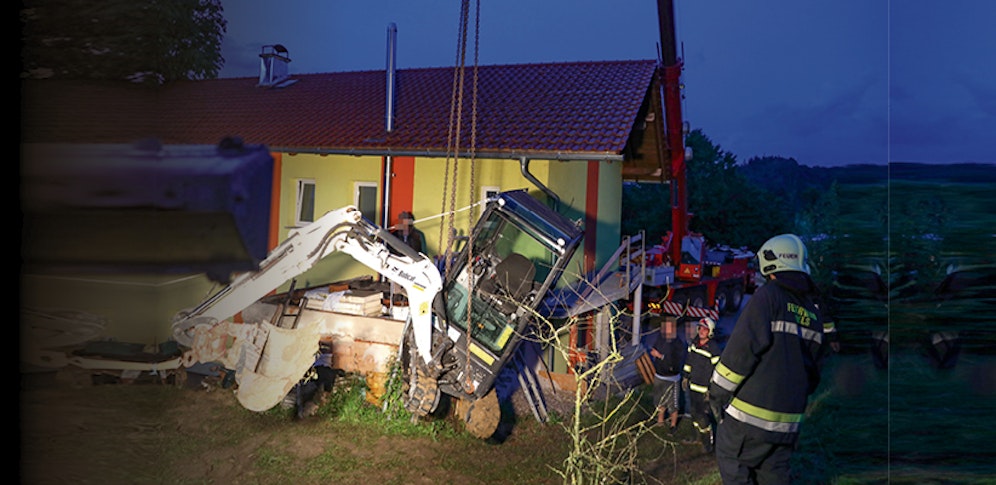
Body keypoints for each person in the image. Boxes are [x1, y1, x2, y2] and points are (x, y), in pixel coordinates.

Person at [708, 234, 830, 484]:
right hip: (788, 425)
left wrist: (717, 393)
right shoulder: (813, 314)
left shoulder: (768, 297)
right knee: (774, 476)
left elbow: (742, 351)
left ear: (770, 266)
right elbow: (814, 375)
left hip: (747, 421)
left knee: (734, 466)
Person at [683, 316, 721, 453]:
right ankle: (696, 437)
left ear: (710, 332)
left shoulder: (713, 348)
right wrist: (686, 377)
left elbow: (717, 370)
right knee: (693, 413)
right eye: (700, 328)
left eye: (704, 329)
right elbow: (689, 361)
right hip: (692, 386)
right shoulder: (694, 343)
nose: (701, 331)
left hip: (704, 389)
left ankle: (708, 443)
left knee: (702, 416)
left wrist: (711, 388)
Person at [649, 315, 687, 429]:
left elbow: (676, 360)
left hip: (672, 378)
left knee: (673, 403)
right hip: (659, 375)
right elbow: (654, 349)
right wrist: (654, 353)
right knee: (660, 401)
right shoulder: (661, 338)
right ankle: (660, 422)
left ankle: (673, 425)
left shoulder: (678, 343)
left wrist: (660, 356)